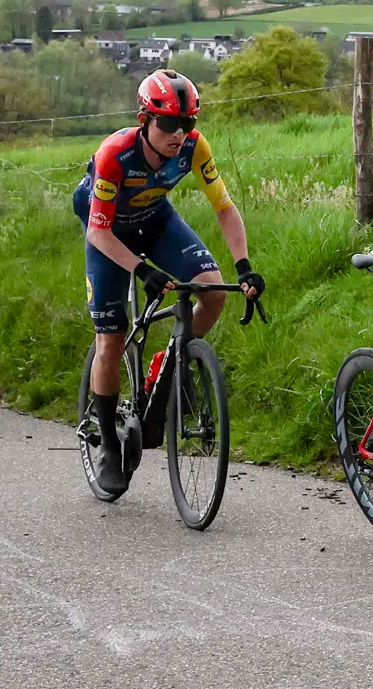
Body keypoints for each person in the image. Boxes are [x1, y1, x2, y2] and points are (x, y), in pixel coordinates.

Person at [73, 69, 265, 494]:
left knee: (212, 291)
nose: (179, 134)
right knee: (110, 338)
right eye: (169, 124)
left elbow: (224, 208)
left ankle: (168, 362)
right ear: (144, 120)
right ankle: (109, 446)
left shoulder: (194, 146)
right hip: (108, 230)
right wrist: (142, 269)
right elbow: (98, 233)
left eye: (187, 123)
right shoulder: (115, 154)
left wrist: (244, 265)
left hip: (155, 219)